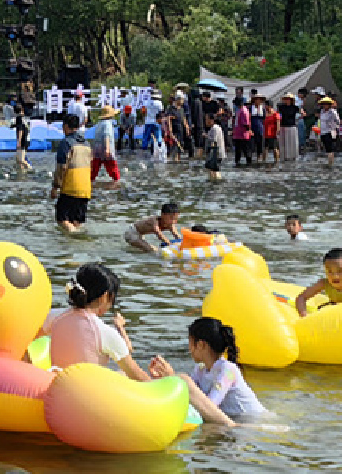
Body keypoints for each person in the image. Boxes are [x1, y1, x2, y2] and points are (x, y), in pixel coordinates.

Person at [40, 263, 237, 428]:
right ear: (105, 297)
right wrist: (162, 382)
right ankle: (229, 425)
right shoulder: (104, 331)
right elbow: (136, 374)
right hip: (90, 402)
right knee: (183, 380)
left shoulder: (54, 317)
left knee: (120, 374)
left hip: (61, 394)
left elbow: (34, 337)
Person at [149, 317, 267, 420]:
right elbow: (188, 395)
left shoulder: (227, 370)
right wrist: (164, 381)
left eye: (190, 342)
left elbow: (209, 407)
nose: (189, 349)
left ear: (201, 345)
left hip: (253, 422)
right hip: (233, 419)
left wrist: (173, 376)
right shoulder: (200, 369)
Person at [50, 113, 92, 233]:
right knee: (76, 221)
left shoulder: (66, 143)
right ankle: (75, 239)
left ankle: (73, 236)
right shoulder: (87, 144)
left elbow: (62, 167)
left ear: (65, 126)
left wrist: (55, 187)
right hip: (85, 189)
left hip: (70, 188)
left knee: (62, 219)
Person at [295, 248, 342, 317]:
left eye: (339, 271)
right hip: (334, 307)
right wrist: (304, 316)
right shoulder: (324, 283)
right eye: (330, 271)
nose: (335, 276)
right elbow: (301, 297)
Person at [90, 105, 120, 189]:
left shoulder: (99, 124)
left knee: (94, 170)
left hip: (97, 150)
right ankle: (116, 184)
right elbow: (107, 135)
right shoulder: (108, 124)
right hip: (106, 149)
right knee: (114, 171)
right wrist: (107, 149)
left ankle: (90, 183)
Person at [276, 93, 300, 161]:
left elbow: (302, 113)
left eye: (288, 99)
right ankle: (283, 156)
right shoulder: (281, 107)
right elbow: (278, 114)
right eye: (286, 99)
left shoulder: (295, 107)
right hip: (283, 126)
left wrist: (299, 117)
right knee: (283, 143)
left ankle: (292, 156)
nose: (287, 100)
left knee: (292, 143)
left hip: (292, 126)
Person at [317, 97, 340, 166]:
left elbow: (338, 121)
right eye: (323, 104)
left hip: (330, 131)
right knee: (326, 148)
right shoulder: (322, 111)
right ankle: (329, 162)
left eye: (326, 104)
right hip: (323, 131)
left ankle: (331, 163)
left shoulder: (333, 112)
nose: (325, 105)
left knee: (330, 149)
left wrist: (333, 126)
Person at [203, 113, 225, 180]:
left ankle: (216, 181)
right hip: (217, 153)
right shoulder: (215, 128)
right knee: (213, 170)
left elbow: (214, 141)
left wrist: (206, 136)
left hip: (216, 153)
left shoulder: (214, 128)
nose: (206, 121)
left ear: (211, 120)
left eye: (207, 119)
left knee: (214, 170)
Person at [232, 101, 252, 166]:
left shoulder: (243, 111)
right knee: (240, 150)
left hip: (242, 134)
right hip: (239, 134)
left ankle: (247, 162)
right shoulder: (240, 110)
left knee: (244, 150)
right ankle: (238, 162)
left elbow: (246, 123)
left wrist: (249, 130)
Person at [14, 104, 33, 170]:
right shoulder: (25, 118)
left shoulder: (19, 118)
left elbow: (20, 130)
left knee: (21, 160)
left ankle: (30, 169)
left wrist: (19, 142)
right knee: (19, 159)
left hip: (22, 141)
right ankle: (23, 172)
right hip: (27, 140)